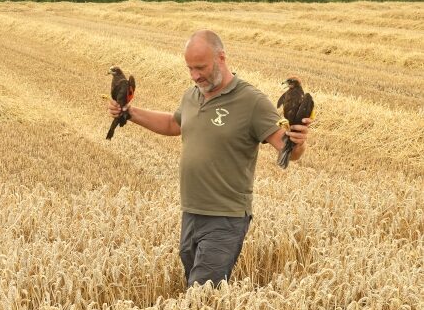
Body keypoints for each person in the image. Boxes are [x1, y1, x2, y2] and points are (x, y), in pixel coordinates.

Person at [109, 29, 311, 288]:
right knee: (198, 291)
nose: (195, 75)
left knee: (202, 293)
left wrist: (299, 141)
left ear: (221, 58)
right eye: (190, 68)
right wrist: (129, 112)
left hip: (226, 217)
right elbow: (173, 124)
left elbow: (289, 151)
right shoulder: (192, 95)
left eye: (201, 67)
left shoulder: (252, 101)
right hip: (191, 212)